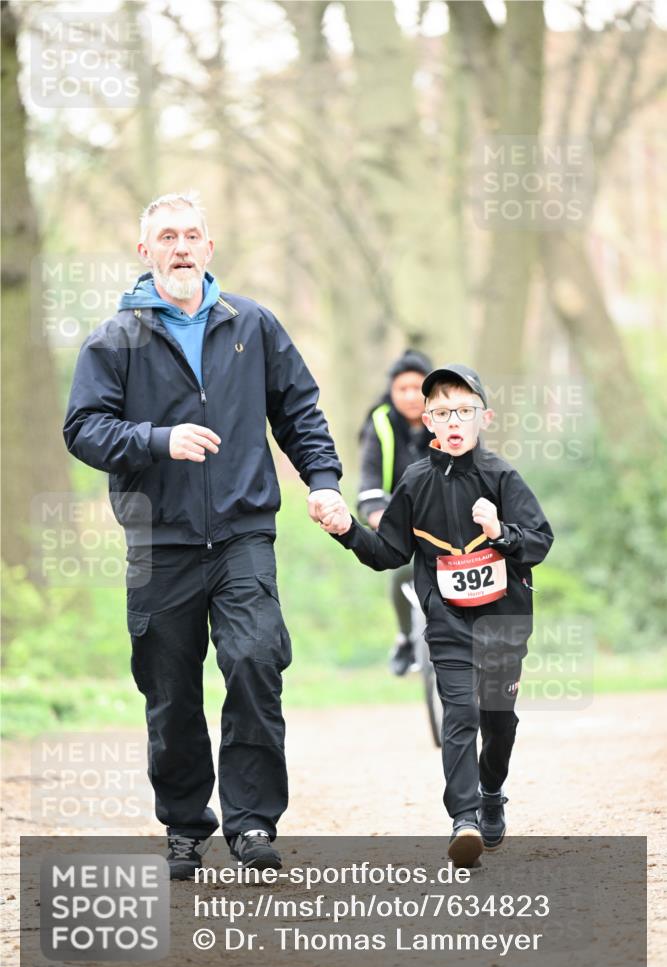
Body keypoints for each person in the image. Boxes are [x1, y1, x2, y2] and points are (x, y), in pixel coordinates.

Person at [63, 192, 348, 878]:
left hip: (245, 531)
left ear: (210, 248)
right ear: (145, 253)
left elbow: (299, 410)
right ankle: (186, 826)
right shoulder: (114, 338)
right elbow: (82, 429)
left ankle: (252, 823)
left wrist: (325, 481)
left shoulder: (251, 324)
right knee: (171, 689)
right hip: (160, 541)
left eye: (192, 235)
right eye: (167, 237)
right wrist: (157, 440)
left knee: (254, 663)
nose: (181, 246)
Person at [319, 364, 553, 867]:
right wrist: (346, 529)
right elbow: (389, 553)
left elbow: (540, 542)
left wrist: (500, 532)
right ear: (427, 420)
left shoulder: (502, 477)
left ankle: (491, 793)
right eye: (443, 411)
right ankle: (464, 818)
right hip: (447, 617)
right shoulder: (416, 481)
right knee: (460, 712)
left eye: (464, 411)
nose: (454, 420)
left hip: (505, 619)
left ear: (482, 418)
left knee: (499, 721)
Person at [357, 349, 433, 675]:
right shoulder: (380, 426)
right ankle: (406, 636)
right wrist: (382, 521)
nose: (411, 396)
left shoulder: (452, 417)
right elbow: (369, 488)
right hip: (401, 520)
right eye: (402, 389)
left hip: (448, 520)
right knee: (404, 569)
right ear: (391, 392)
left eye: (418, 388)